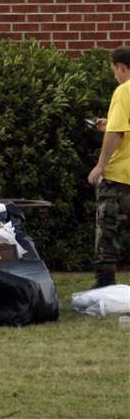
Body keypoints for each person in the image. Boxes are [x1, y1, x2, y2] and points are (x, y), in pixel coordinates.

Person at [87, 46, 130, 289]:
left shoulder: (124, 91)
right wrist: (109, 124)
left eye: (115, 70)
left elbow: (117, 132)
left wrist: (100, 166)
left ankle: (105, 284)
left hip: (120, 176)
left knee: (108, 230)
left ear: (121, 68)